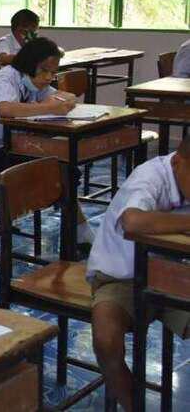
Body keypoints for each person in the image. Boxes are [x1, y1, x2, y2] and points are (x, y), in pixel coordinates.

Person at [87, 136, 190, 411]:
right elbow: (132, 220)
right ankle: (135, 406)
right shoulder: (149, 177)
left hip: (174, 274)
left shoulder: (183, 174)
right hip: (122, 276)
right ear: (178, 163)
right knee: (106, 338)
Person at [0, 37, 95, 246]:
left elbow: (63, 96)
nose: (49, 77)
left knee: (63, 167)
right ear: (29, 64)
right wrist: (49, 107)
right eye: (44, 71)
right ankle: (78, 230)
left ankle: (76, 228)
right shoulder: (6, 78)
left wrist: (65, 99)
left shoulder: (34, 81)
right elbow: (5, 109)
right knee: (58, 170)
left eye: (53, 72)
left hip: (8, 146)